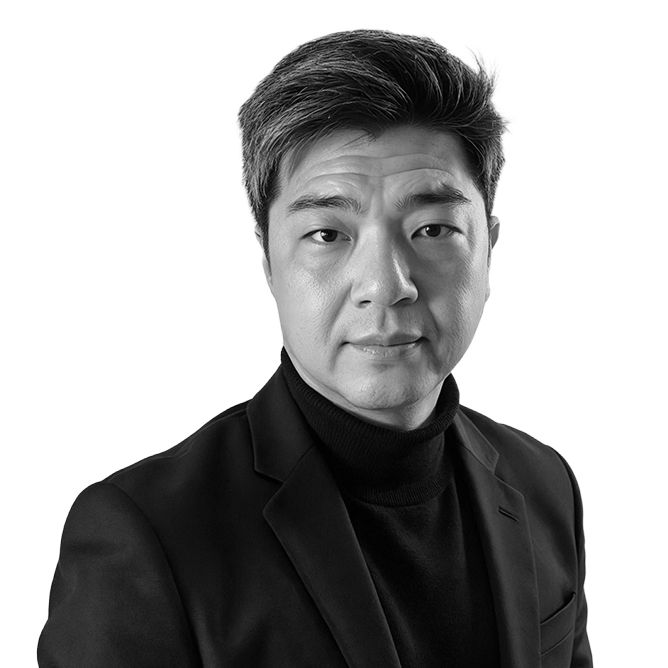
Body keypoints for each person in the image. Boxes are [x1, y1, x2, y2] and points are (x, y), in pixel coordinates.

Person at [38, 29, 592, 668]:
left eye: (433, 228)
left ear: (488, 247)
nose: (386, 284)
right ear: (269, 261)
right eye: (327, 233)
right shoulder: (146, 534)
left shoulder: (542, 484)